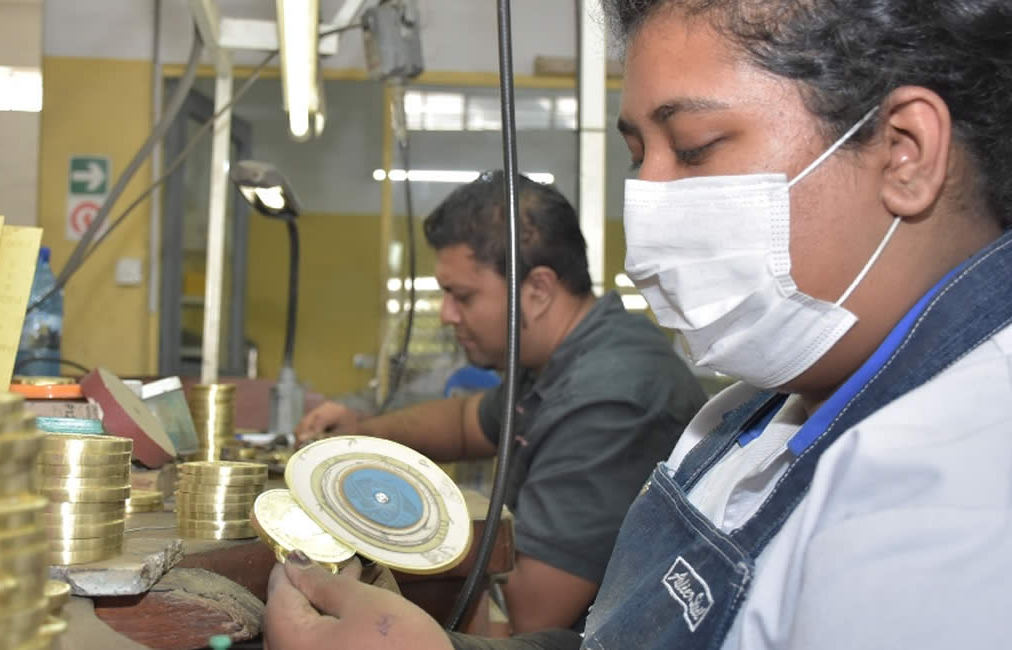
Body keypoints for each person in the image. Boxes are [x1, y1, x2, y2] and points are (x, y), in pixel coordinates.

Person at [263, 0, 1012, 648]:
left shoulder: (957, 500)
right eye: (636, 155)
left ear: (905, 156)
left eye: (692, 148)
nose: (646, 199)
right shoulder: (754, 408)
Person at [296, 173, 707, 633]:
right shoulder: (556, 358)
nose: (447, 314)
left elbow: (527, 617)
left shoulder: (611, 398)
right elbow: (463, 423)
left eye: (462, 296)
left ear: (538, 290)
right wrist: (359, 431)